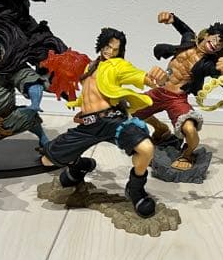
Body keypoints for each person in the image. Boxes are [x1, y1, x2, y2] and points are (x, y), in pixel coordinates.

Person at [39, 28, 168, 217]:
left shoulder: (118, 65)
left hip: (112, 121)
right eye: (108, 47)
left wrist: (156, 79)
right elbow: (88, 93)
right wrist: (82, 109)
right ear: (101, 45)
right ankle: (80, 165)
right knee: (48, 160)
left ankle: (135, 189)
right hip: (88, 125)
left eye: (116, 49)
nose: (110, 52)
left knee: (146, 149)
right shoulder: (88, 67)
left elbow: (139, 76)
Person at [134, 11, 223, 170]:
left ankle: (187, 155)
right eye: (216, 39)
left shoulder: (210, 65)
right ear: (207, 35)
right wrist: (171, 18)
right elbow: (183, 28)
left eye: (221, 44)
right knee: (132, 108)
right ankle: (160, 129)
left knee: (190, 130)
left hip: (177, 99)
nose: (216, 44)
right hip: (160, 90)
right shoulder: (188, 41)